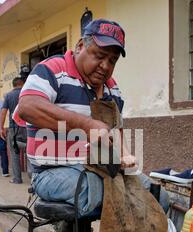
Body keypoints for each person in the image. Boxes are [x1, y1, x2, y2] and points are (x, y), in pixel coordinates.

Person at [17, 19, 135, 216]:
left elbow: (116, 129)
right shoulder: (53, 69)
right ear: (80, 46)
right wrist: (87, 125)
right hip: (50, 173)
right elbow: (28, 107)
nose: (105, 66)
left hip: (96, 169)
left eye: (112, 61)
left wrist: (124, 155)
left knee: (153, 194)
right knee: (100, 192)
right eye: (99, 56)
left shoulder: (111, 87)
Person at [0, 77, 29, 184]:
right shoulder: (27, 93)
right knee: (30, 151)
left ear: (13, 85)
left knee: (14, 153)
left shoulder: (9, 95)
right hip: (28, 127)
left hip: (13, 128)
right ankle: (33, 178)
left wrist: (1, 128)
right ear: (22, 83)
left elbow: (3, 112)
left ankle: (17, 178)